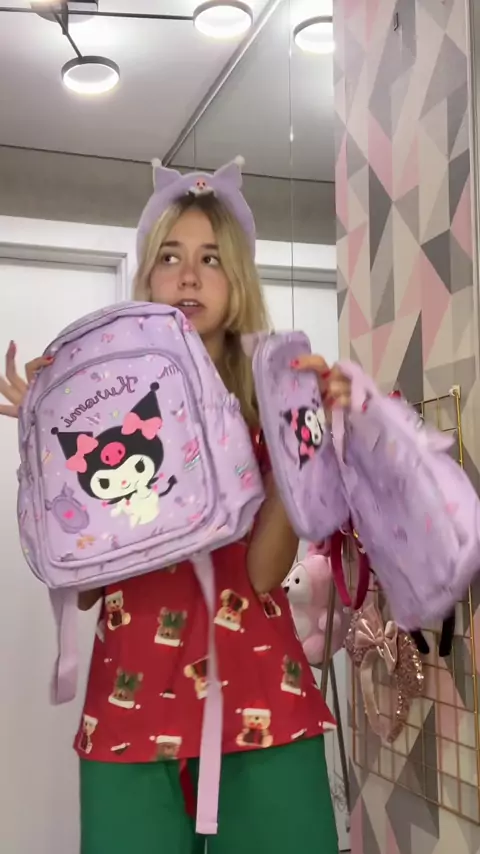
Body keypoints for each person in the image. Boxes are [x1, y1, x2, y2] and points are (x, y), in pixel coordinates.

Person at [0, 159, 352, 854]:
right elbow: (88, 588)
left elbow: (264, 574)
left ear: (237, 281)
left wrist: (300, 437)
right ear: (148, 277)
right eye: (170, 256)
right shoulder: (101, 411)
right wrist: (53, 433)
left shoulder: (267, 402)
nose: (188, 276)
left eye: (211, 259)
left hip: (263, 699)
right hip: (130, 712)